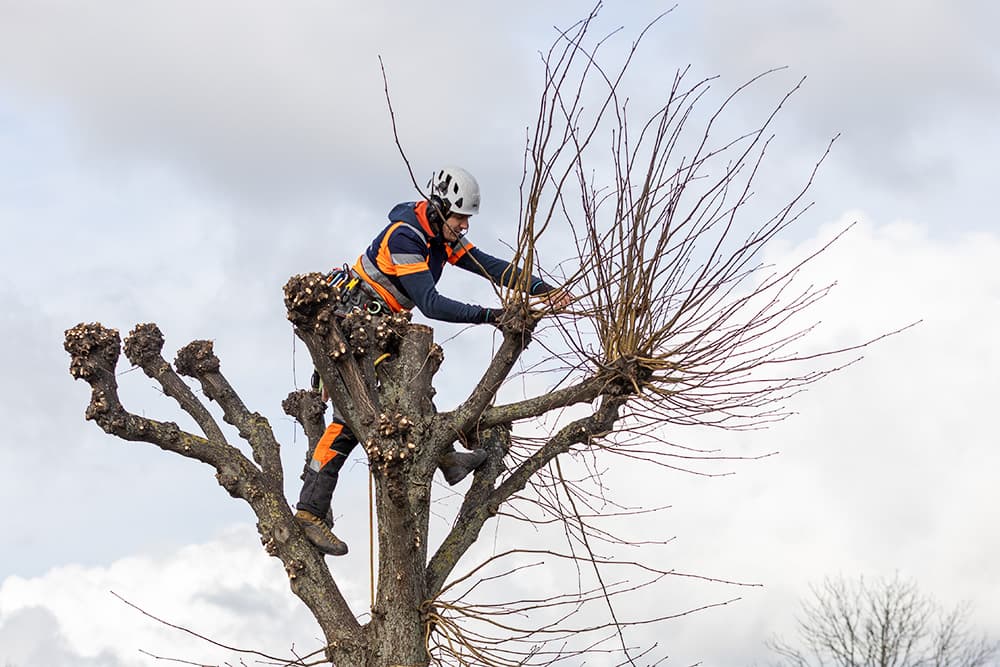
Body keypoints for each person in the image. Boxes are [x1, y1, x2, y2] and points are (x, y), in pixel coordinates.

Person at [295, 166, 570, 556]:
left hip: (381, 328)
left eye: (467, 220)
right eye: (459, 218)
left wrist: (545, 290)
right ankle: (309, 511)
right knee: (348, 423)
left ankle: (448, 460)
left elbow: (490, 266)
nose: (463, 227)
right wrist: (492, 316)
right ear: (440, 210)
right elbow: (431, 304)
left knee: (412, 396)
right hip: (350, 329)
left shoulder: (440, 237)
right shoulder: (405, 238)